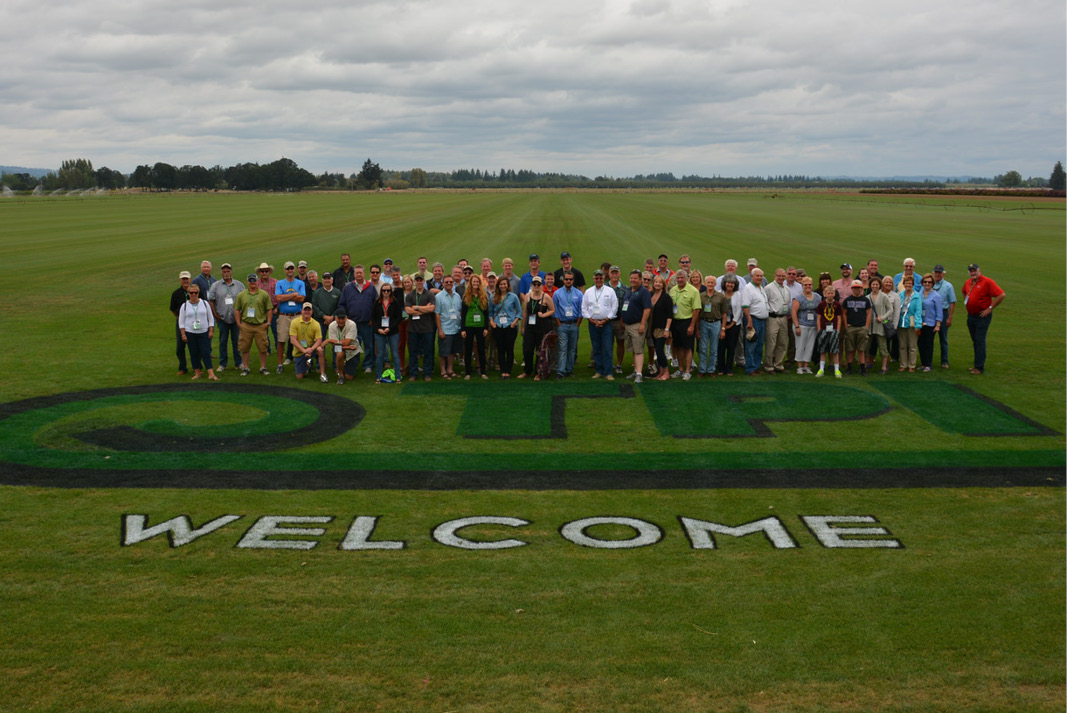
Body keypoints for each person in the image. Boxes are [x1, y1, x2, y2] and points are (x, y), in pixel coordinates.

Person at [961, 263, 1005, 375]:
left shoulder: (987, 282)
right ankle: (976, 364)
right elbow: (964, 292)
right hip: (971, 315)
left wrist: (989, 308)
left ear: (979, 271)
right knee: (975, 340)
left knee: (980, 340)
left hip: (982, 316)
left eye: (974, 271)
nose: (973, 273)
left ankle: (979, 367)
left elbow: (1001, 295)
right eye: (971, 271)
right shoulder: (968, 282)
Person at [206, 263, 244, 373]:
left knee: (236, 341)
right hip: (222, 318)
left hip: (236, 318)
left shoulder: (239, 285)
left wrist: (240, 315)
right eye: (224, 271)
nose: (226, 273)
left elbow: (243, 301)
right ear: (221, 273)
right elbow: (211, 301)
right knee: (223, 341)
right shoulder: (215, 285)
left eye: (228, 271)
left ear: (231, 272)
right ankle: (223, 363)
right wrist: (215, 314)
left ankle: (239, 362)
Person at [339, 264, 377, 373]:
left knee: (368, 344)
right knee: (353, 345)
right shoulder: (348, 287)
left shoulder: (370, 287)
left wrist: (373, 319)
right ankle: (352, 364)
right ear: (354, 274)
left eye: (360, 272)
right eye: (357, 273)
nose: (359, 275)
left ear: (364, 273)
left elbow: (376, 305)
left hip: (367, 322)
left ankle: (368, 365)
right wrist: (346, 318)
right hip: (352, 323)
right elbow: (342, 304)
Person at [582, 270, 619, 380]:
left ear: (604, 278)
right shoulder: (588, 292)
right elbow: (584, 308)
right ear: (593, 278)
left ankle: (608, 372)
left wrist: (606, 319)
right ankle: (599, 370)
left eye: (600, 278)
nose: (598, 280)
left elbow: (614, 307)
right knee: (596, 348)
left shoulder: (610, 291)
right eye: (596, 278)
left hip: (606, 323)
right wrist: (592, 320)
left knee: (607, 348)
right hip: (593, 324)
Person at [234, 273, 273, 376]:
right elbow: (237, 309)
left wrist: (268, 322)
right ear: (247, 282)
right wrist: (238, 323)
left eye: (254, 281)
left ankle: (263, 367)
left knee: (263, 347)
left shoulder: (264, 294)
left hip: (260, 325)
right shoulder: (241, 295)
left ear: (257, 281)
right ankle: (246, 367)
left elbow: (269, 309)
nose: (252, 283)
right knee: (245, 347)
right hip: (246, 325)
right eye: (250, 281)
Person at [178, 281, 217, 380]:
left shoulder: (204, 303)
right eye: (191, 293)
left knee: (205, 352)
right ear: (188, 294)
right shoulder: (184, 306)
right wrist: (183, 334)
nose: (194, 295)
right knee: (193, 353)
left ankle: (211, 373)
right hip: (190, 332)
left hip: (203, 331)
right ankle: (197, 372)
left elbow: (210, 318)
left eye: (196, 292)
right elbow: (181, 322)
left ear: (198, 293)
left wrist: (211, 330)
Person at [519, 276, 555, 379]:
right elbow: (525, 311)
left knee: (540, 351)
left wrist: (544, 315)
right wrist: (523, 327)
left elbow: (552, 310)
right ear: (531, 285)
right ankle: (527, 371)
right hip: (530, 328)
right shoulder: (527, 296)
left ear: (541, 285)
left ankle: (538, 372)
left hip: (542, 327)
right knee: (527, 350)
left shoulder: (546, 297)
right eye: (534, 284)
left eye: (538, 284)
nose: (536, 286)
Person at [620, 270, 652, 383]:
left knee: (638, 350)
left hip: (637, 324)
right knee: (633, 349)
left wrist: (643, 324)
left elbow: (647, 308)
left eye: (635, 278)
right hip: (628, 325)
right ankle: (635, 371)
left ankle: (639, 374)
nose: (633, 280)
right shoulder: (629, 290)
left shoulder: (644, 292)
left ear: (640, 280)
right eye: (631, 278)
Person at [274, 261, 306, 373]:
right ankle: (279, 364)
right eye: (288, 269)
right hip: (284, 316)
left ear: (294, 270)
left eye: (292, 268)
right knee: (281, 340)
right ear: (284, 270)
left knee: (302, 340)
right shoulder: (280, 283)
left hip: (297, 315)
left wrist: (285, 296)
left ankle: (303, 362)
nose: (290, 271)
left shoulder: (300, 283)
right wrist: (293, 295)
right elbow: (278, 298)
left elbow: (302, 299)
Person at [668, 270, 700, 380]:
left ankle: (688, 371)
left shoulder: (693, 291)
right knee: (678, 346)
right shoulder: (673, 290)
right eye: (678, 278)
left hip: (687, 321)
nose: (680, 280)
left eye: (682, 278)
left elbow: (696, 310)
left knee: (688, 347)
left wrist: (692, 325)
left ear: (686, 278)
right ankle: (680, 369)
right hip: (675, 322)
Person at [405, 274, 436, 381]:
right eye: (417, 280)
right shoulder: (410, 295)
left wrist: (417, 308)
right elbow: (408, 310)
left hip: (427, 328)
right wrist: (424, 309)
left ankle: (427, 373)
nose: (419, 282)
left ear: (423, 281)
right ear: (415, 282)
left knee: (427, 352)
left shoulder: (429, 294)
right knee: (413, 352)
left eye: (420, 280)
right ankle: (413, 373)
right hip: (413, 329)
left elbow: (431, 309)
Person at [553, 272, 584, 379]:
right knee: (562, 348)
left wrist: (578, 324)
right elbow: (555, 310)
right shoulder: (557, 293)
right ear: (563, 280)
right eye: (566, 279)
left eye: (570, 279)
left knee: (572, 349)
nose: (568, 281)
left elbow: (581, 310)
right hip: (563, 324)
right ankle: (560, 371)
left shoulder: (579, 293)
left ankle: (569, 370)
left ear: (573, 281)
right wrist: (559, 324)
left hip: (574, 324)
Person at [489, 274, 521, 378]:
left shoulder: (513, 297)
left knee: (509, 349)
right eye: (501, 284)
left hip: (510, 326)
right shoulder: (493, 296)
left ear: (507, 285)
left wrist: (514, 322)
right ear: (498, 285)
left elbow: (519, 312)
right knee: (500, 349)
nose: (503, 286)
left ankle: (508, 370)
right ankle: (503, 370)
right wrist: (492, 323)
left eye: (504, 284)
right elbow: (490, 312)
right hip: (498, 326)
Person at [372, 282, 403, 382]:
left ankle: (398, 376)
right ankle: (378, 376)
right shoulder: (377, 303)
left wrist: (390, 328)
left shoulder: (395, 302)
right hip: (379, 332)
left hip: (393, 331)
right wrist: (378, 329)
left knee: (395, 354)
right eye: (384, 290)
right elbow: (373, 318)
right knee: (380, 354)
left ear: (391, 291)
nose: (386, 292)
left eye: (388, 290)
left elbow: (398, 317)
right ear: (381, 291)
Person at [460, 274, 489, 379]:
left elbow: (486, 313)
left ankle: (483, 371)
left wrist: (486, 327)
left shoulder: (483, 296)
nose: (476, 284)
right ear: (471, 284)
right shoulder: (466, 296)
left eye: (477, 282)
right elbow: (463, 313)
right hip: (469, 324)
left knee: (481, 349)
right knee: (468, 349)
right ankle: (468, 372)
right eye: (474, 282)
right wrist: (463, 329)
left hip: (480, 325)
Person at [697, 275, 727, 377]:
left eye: (712, 283)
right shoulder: (700, 296)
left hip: (716, 323)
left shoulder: (721, 296)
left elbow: (724, 314)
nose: (710, 284)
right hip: (703, 323)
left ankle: (711, 370)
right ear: (705, 284)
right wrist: (697, 329)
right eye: (708, 282)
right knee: (703, 348)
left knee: (714, 349)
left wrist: (723, 329)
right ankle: (702, 369)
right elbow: (697, 312)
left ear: (715, 284)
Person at [764, 268, 793, 374]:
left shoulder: (786, 288)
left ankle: (778, 364)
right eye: (779, 276)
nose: (781, 278)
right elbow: (765, 302)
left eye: (782, 276)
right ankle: (769, 366)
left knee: (782, 342)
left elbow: (788, 302)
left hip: (783, 317)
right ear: (775, 276)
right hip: (772, 317)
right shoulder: (768, 288)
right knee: (771, 342)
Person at [290, 303, 328, 382]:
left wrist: (311, 349)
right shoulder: (294, 322)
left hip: (311, 347)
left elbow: (319, 340)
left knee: (320, 349)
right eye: (305, 310)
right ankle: (307, 364)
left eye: (309, 310)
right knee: (300, 376)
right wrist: (304, 351)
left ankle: (322, 374)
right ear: (301, 311)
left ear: (312, 312)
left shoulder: (316, 324)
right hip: (299, 350)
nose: (307, 312)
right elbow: (293, 340)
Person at [741, 268, 769, 375]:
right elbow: (745, 306)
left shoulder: (760, 287)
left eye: (761, 276)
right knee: (751, 344)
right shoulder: (748, 288)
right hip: (753, 320)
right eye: (757, 276)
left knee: (759, 345)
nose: (759, 278)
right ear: (752, 276)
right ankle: (750, 368)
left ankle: (757, 367)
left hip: (762, 320)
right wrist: (749, 320)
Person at [791, 276, 821, 374]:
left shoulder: (817, 297)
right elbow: (794, 312)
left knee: (810, 346)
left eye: (809, 285)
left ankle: (806, 365)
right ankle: (800, 366)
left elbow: (819, 311)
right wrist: (797, 326)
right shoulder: (798, 298)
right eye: (805, 285)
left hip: (813, 325)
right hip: (801, 324)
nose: (808, 286)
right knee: (800, 345)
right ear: (802, 286)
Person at [841, 280, 872, 375]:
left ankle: (862, 367)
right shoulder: (847, 300)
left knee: (861, 349)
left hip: (862, 327)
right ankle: (849, 367)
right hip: (851, 327)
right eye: (854, 288)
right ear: (851, 289)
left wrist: (866, 326)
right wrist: (846, 326)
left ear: (861, 288)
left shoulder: (865, 300)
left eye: (858, 288)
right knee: (850, 348)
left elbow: (869, 313)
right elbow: (844, 314)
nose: (856, 290)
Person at [869, 275, 898, 375]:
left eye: (877, 284)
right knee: (867, 346)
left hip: (880, 326)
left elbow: (891, 309)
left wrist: (883, 317)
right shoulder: (868, 297)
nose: (875, 286)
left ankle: (884, 367)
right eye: (873, 284)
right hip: (870, 326)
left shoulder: (884, 296)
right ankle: (864, 365)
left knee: (883, 347)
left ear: (879, 286)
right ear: (870, 286)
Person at [434, 275, 462, 379]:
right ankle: (443, 371)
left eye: (451, 282)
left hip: (455, 327)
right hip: (445, 328)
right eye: (447, 282)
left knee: (452, 351)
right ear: (443, 284)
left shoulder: (457, 296)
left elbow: (459, 311)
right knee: (443, 351)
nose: (449, 283)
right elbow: (437, 314)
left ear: (453, 283)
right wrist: (440, 329)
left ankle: (450, 370)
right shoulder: (439, 297)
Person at [916, 273, 944, 372]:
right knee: (920, 343)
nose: (927, 284)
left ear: (932, 284)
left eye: (929, 282)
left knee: (928, 344)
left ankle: (928, 364)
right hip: (920, 323)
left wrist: (938, 324)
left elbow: (939, 311)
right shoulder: (919, 293)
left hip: (930, 323)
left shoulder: (936, 296)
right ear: (922, 283)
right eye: (925, 282)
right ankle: (923, 363)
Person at [930, 265, 957, 368]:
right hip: (931, 314)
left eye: (939, 272)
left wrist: (950, 317)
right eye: (936, 272)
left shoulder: (948, 286)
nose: (937, 274)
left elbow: (952, 302)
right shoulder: (929, 284)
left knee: (943, 338)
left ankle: (944, 361)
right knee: (929, 339)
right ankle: (928, 360)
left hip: (943, 312)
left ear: (943, 274)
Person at [648, 275, 673, 380]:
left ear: (663, 284)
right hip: (652, 328)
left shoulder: (666, 297)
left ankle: (666, 372)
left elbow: (669, 315)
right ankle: (661, 372)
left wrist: (667, 329)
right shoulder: (651, 295)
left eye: (660, 282)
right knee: (656, 351)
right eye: (655, 282)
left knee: (659, 350)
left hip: (662, 328)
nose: (657, 284)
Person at [815, 284, 843, 378]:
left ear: (834, 294)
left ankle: (837, 370)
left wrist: (838, 329)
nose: (830, 295)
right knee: (823, 350)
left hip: (834, 329)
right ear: (824, 294)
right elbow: (818, 318)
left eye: (832, 293)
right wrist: (819, 329)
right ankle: (821, 369)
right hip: (823, 329)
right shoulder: (821, 304)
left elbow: (839, 318)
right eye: (828, 293)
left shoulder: (837, 304)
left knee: (835, 350)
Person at [717, 276, 742, 376]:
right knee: (721, 346)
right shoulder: (719, 293)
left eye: (732, 283)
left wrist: (732, 323)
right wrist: (722, 325)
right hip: (720, 323)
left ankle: (729, 368)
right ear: (724, 283)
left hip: (734, 324)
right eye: (728, 283)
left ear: (735, 285)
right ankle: (721, 368)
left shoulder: (738, 294)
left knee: (731, 347)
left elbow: (739, 310)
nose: (730, 285)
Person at [897, 274, 922, 372]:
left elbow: (918, 312)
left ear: (913, 285)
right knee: (902, 346)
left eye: (910, 283)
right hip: (901, 322)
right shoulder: (900, 295)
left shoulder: (917, 296)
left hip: (912, 323)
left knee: (912, 346)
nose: (908, 285)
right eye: (906, 283)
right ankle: (903, 364)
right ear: (903, 284)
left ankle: (912, 365)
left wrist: (918, 325)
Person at [170, 271, 193, 375]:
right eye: (183, 279)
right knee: (180, 347)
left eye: (186, 279)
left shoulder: (195, 291)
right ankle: (182, 367)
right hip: (181, 323)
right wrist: (180, 317)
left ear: (190, 279)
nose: (185, 281)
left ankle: (197, 367)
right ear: (180, 280)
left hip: (193, 322)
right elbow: (173, 309)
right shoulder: (176, 293)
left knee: (194, 346)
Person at [607, 265, 627, 374]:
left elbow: (626, 305)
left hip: (620, 321)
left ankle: (619, 364)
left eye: (616, 273)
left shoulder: (625, 289)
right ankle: (608, 364)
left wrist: (623, 318)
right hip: (607, 321)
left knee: (620, 342)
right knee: (608, 343)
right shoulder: (604, 287)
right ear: (609, 274)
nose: (614, 275)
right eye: (612, 273)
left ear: (619, 274)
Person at [398, 274, 414, 376]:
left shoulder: (414, 293)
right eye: (405, 282)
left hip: (411, 321)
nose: (407, 284)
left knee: (410, 343)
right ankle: (401, 365)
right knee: (400, 343)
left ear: (411, 282)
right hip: (401, 321)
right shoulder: (399, 293)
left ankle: (411, 365)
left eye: (408, 282)